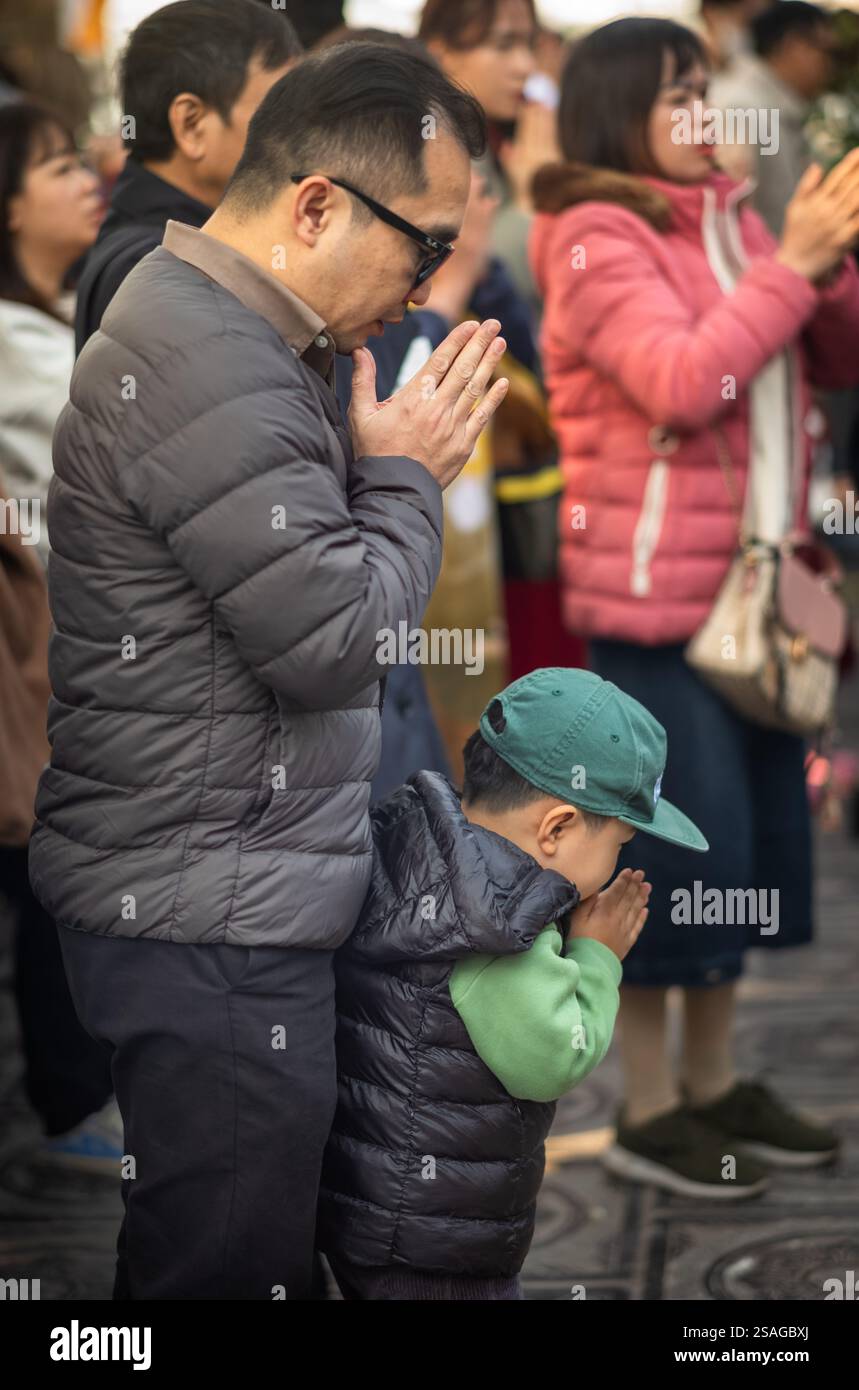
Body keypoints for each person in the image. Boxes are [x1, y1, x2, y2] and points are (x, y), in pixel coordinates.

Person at [29, 42, 510, 1301]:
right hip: (206, 904)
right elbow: (336, 641)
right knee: (219, 1268)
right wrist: (406, 475)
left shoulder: (239, 331)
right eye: (425, 246)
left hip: (221, 879)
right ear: (315, 207)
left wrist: (378, 470)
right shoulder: (211, 356)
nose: (427, 287)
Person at [530, 17, 859, 1198]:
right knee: (670, 856)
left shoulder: (728, 213)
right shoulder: (589, 233)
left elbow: (830, 353)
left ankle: (716, 1086)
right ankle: (648, 1106)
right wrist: (790, 263)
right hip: (658, 603)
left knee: (753, 847)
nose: (704, 117)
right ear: (618, 111)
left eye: (705, 94)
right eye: (678, 97)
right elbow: (685, 376)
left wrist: (818, 264)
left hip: (761, 592)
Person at [316, 667, 712, 1300]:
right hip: (439, 1236)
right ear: (554, 829)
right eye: (619, 841)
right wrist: (596, 956)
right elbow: (555, 1054)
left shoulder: (428, 843)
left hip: (382, 1200)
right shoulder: (497, 925)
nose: (623, 862)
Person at [74, 0, 301, 354]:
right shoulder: (156, 267)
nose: (301, 137)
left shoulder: (171, 246)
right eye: (276, 112)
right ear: (190, 124)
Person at [0, 103, 101, 565]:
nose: (88, 183)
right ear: (10, 208)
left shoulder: (67, 305)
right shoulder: (10, 336)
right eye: (62, 169)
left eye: (81, 164)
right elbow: (118, 439)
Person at [419, 0, 555, 320]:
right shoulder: (430, 146)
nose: (525, 65)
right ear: (441, 53)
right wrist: (530, 203)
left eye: (528, 44)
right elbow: (488, 273)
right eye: (503, 45)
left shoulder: (509, 136)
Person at [709, 1, 838, 234]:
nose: (830, 65)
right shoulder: (743, 107)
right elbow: (730, 216)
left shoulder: (769, 104)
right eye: (826, 51)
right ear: (793, 46)